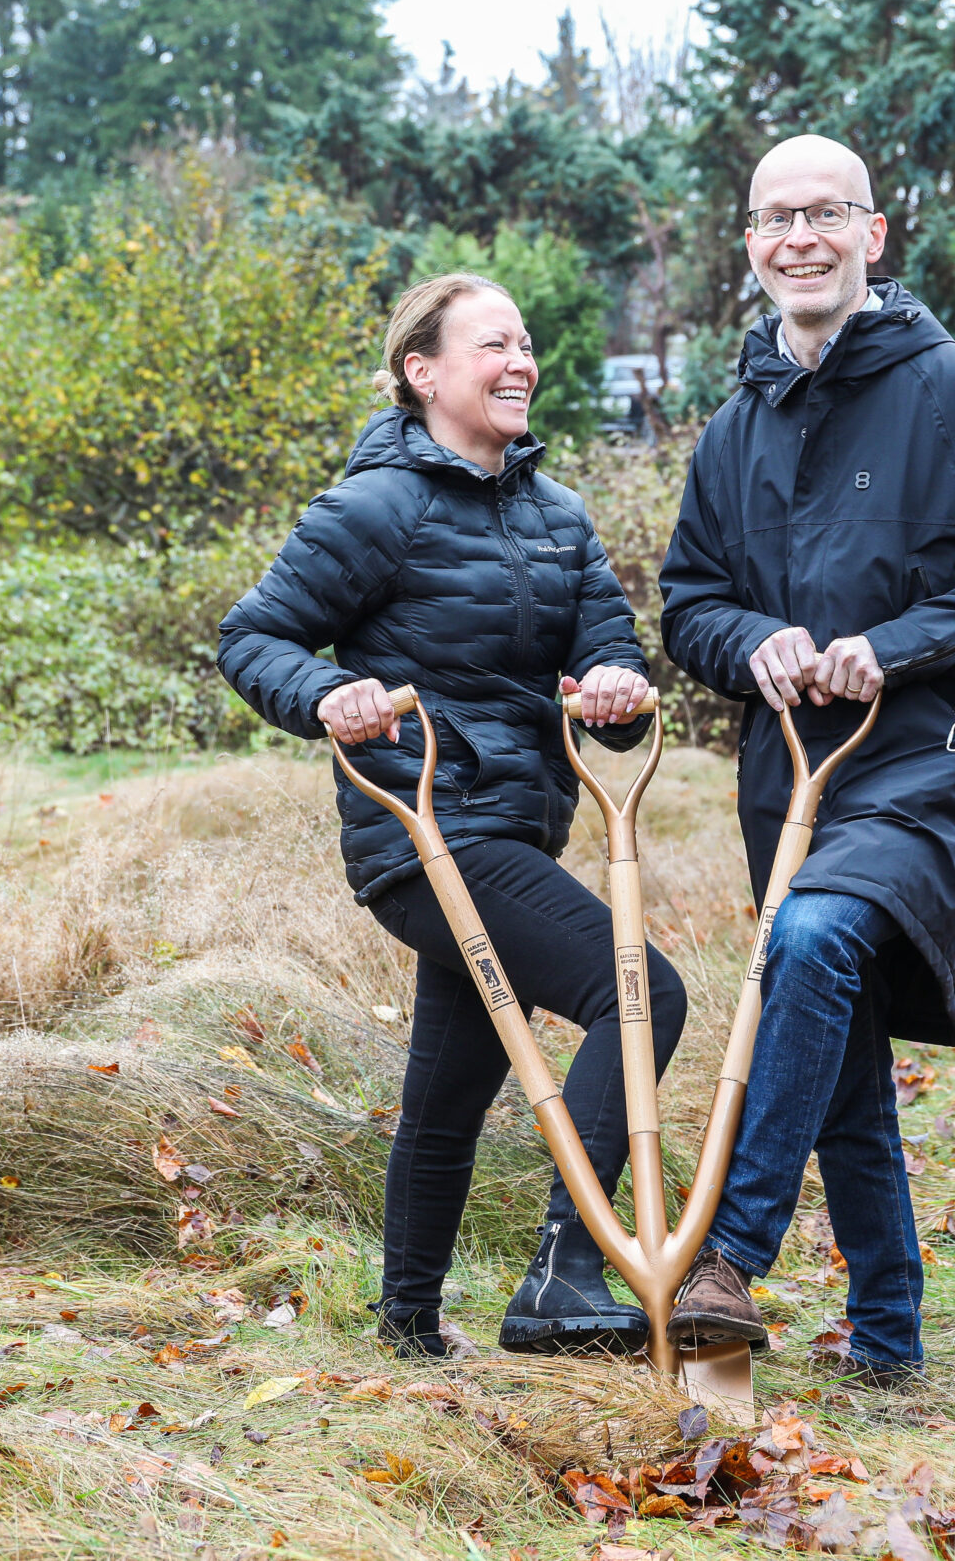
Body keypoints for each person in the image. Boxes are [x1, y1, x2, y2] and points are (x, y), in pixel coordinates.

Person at [657, 135, 955, 1383]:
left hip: (931, 763)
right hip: (788, 782)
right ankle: (892, 1346)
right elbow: (687, 603)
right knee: (836, 1056)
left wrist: (892, 647)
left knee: (811, 947)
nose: (797, 237)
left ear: (873, 234)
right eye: (772, 218)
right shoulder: (730, 432)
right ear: (748, 247)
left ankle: (729, 1259)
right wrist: (752, 642)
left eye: (823, 213)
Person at [218, 272, 685, 1360]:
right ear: (421, 372)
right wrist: (324, 694)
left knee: (452, 1080)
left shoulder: (557, 514)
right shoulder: (374, 507)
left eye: (525, 343)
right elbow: (252, 637)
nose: (519, 362)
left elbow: (607, 647)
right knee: (643, 993)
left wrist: (613, 685)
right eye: (492, 345)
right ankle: (564, 1276)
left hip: (513, 829)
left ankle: (407, 1326)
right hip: (423, 829)